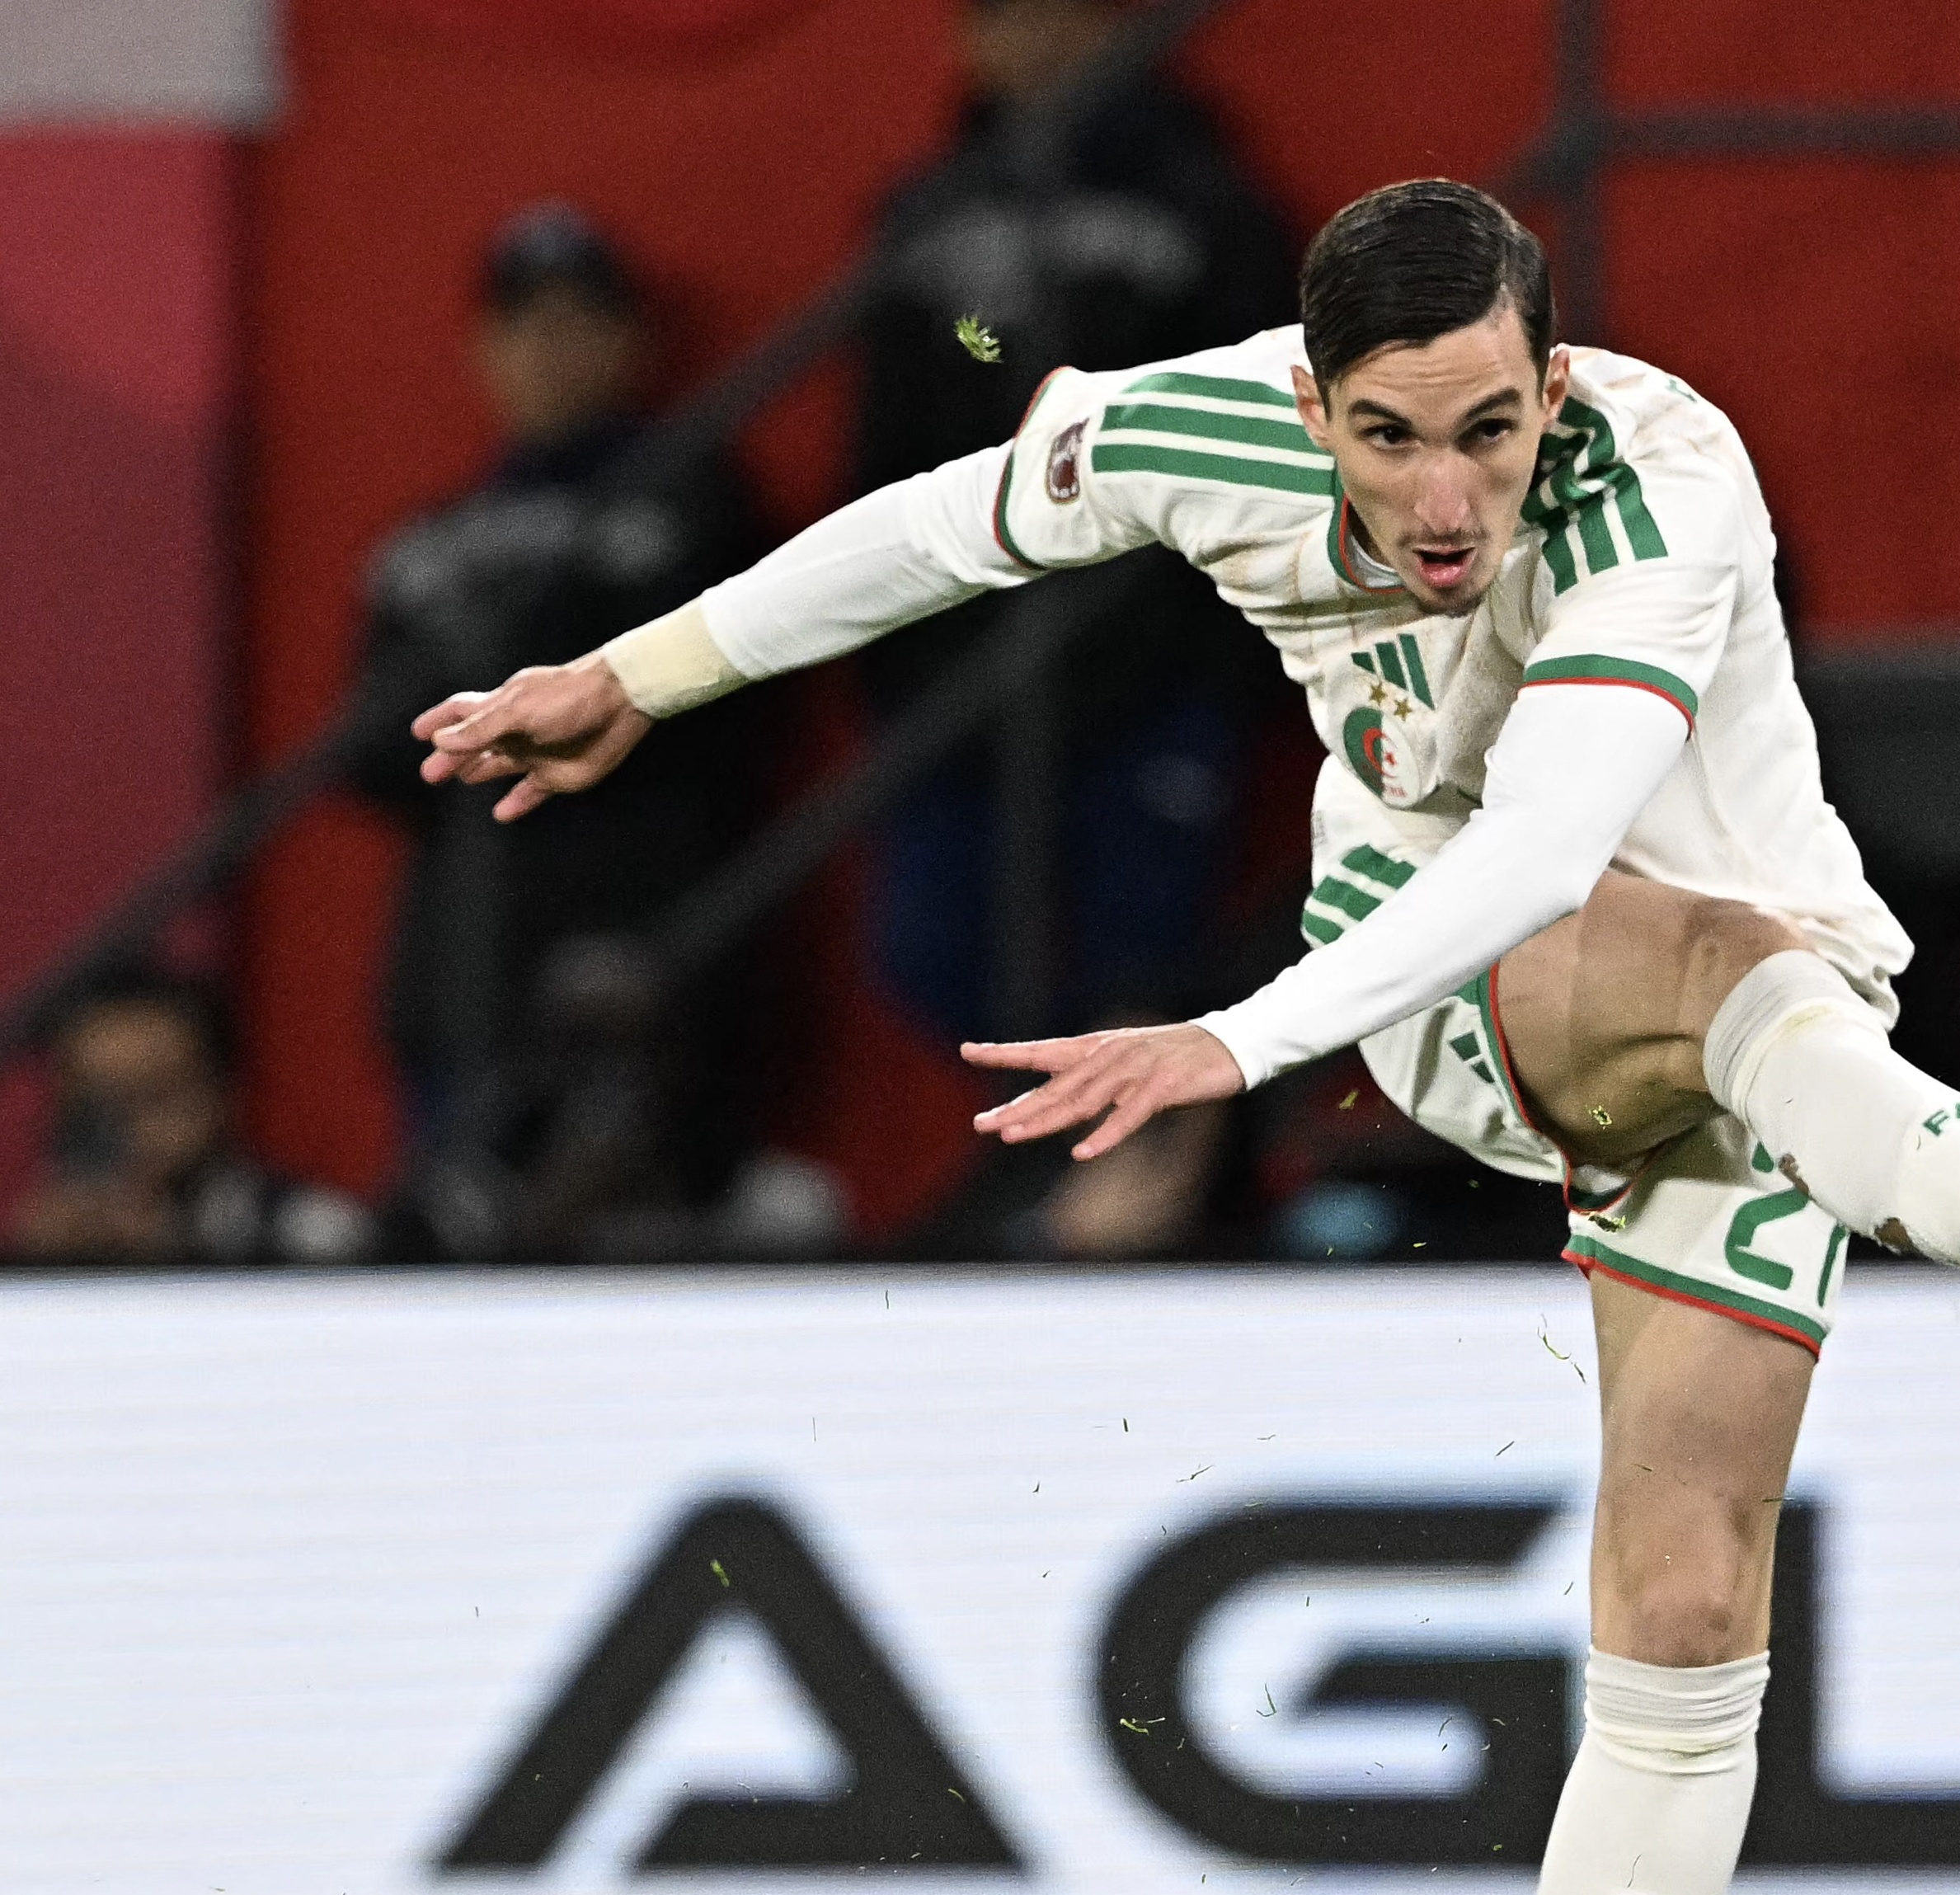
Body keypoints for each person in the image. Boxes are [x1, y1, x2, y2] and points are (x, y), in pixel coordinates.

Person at [412, 181, 1960, 1895]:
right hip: (1448, 973)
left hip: (1774, 1052)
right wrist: (643, 673)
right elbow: (947, 524)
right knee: (1717, 971)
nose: (1443, 495)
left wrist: (1230, 1041)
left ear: (1551, 391)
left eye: (1488, 430)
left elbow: (1557, 835)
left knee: (1683, 1608)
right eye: (1390, 436)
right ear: (1312, 405)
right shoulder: (1196, 430)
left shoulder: (1661, 484)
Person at [850, 0, 1300, 1038]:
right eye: (1002, 18)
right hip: (966, 661)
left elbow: (1267, 435)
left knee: (1145, 960)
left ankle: (1128, 1131)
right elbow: (901, 419)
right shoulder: (926, 215)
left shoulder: (1208, 201)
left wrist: (1231, 652)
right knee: (932, 952)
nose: (1033, 41)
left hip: (1154, 655)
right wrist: (884, 645)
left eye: (1061, 13)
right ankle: (1072, 1131)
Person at [332, 204, 778, 1248]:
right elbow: (370, 748)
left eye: (580, 322)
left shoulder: (692, 496)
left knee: (629, 1239)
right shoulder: (425, 541)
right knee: (450, 1240)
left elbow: (716, 703)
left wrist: (501, 694)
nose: (550, 351)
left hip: (641, 929)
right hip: (459, 950)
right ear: (484, 349)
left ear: (631, 343)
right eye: (524, 326)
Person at [12, 969, 371, 1266]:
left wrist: (171, 1258)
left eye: (154, 1096)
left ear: (221, 1096)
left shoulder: (310, 1233)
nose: (122, 1129)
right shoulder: (43, 1238)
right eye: (92, 1105)